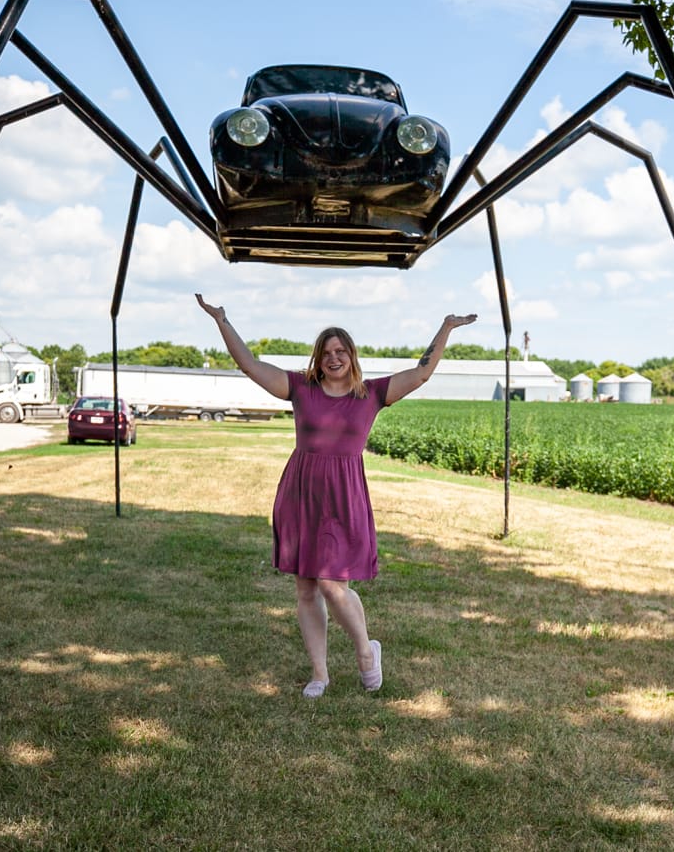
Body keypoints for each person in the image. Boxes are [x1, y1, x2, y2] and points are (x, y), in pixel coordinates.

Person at [196, 294, 477, 698]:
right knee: (307, 586)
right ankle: (320, 674)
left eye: (340, 350)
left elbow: (420, 374)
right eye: (326, 352)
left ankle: (365, 652)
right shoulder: (300, 388)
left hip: (344, 495)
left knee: (333, 583)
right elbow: (251, 365)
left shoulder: (372, 394)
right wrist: (222, 321)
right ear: (317, 358)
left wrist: (446, 327)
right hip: (302, 492)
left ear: (352, 356)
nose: (333, 358)